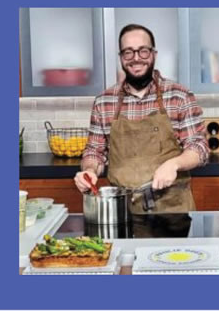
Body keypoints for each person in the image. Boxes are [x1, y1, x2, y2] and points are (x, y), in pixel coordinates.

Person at [74, 24, 209, 213]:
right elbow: (95, 151)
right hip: (121, 211)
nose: (136, 58)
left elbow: (199, 147)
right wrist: (89, 171)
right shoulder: (104, 101)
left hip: (173, 210)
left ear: (154, 54)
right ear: (121, 57)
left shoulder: (179, 96)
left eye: (143, 51)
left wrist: (174, 163)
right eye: (128, 52)